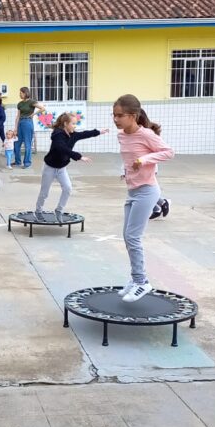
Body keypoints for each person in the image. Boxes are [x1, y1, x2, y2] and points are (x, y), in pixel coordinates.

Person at [113, 94, 174, 303]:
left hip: (148, 191)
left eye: (120, 115)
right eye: (114, 115)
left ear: (133, 115)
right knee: (127, 236)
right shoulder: (121, 136)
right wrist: (127, 170)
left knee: (133, 236)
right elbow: (129, 158)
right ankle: (135, 279)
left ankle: (142, 282)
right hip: (132, 191)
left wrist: (145, 159)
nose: (116, 119)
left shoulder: (146, 134)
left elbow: (168, 152)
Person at [35, 113, 104, 222]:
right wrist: (79, 156)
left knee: (67, 188)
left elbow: (84, 134)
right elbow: (62, 148)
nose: (74, 126)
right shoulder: (57, 135)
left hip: (62, 169)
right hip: (50, 167)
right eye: (73, 124)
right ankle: (38, 211)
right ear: (66, 124)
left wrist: (98, 132)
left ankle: (59, 210)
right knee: (44, 192)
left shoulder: (73, 135)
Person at [14, 87, 45, 169]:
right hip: (20, 122)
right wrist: (15, 128)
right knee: (16, 143)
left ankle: (27, 163)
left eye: (21, 93)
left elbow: (42, 108)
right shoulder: (19, 104)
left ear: (25, 93)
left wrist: (33, 114)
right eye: (20, 93)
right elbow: (18, 116)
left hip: (27, 123)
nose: (20, 94)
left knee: (27, 143)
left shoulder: (31, 102)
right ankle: (17, 162)